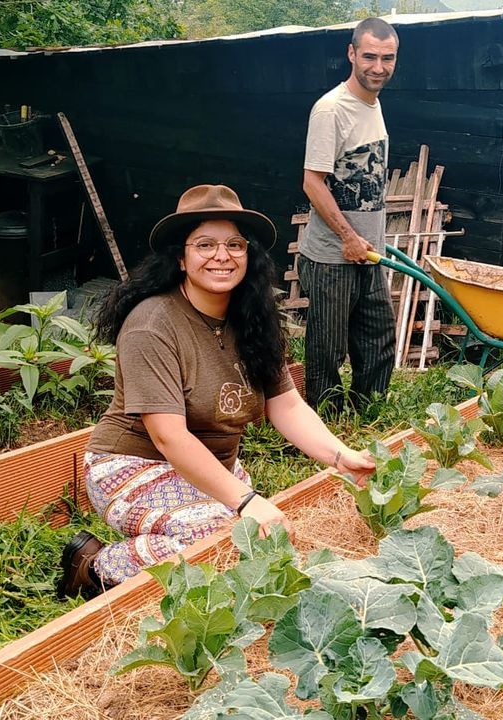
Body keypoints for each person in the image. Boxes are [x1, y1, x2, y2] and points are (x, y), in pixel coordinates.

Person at [57, 184, 376, 599]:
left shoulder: (253, 318)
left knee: (258, 541)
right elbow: (167, 435)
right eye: (204, 244)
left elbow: (288, 406)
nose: (222, 256)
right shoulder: (152, 325)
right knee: (225, 531)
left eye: (234, 244)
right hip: (133, 465)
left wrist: (341, 456)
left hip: (212, 466)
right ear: (180, 257)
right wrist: (245, 502)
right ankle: (95, 565)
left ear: (249, 255)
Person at [298, 16, 400, 415]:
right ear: (352, 53)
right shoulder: (331, 109)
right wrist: (348, 238)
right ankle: (323, 426)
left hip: (367, 251)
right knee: (328, 347)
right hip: (332, 256)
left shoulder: (372, 104)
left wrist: (368, 241)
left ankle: (367, 415)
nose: (378, 67)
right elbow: (312, 182)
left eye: (387, 58)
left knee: (378, 337)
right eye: (370, 56)